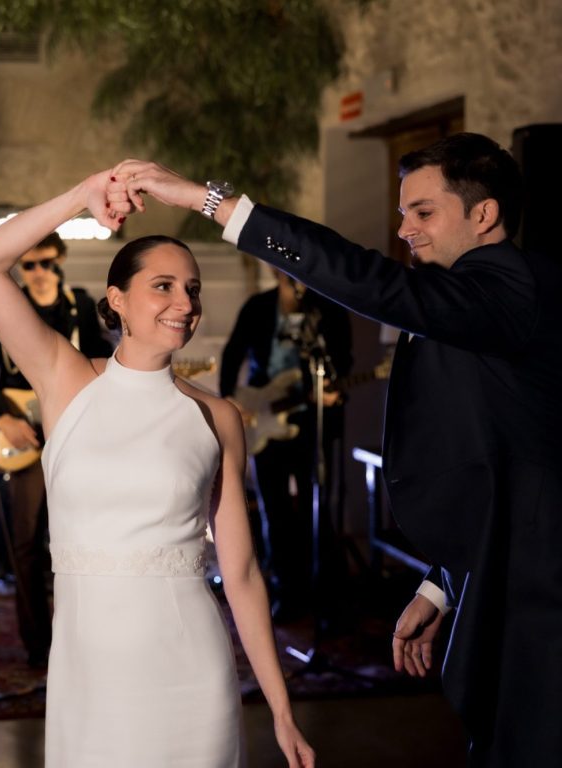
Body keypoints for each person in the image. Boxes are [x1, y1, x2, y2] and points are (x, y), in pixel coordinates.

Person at [106, 135, 562, 768]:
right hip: (500, 573)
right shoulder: (475, 299)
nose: (404, 230)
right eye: (403, 213)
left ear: (483, 214)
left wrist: (205, 200)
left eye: (423, 212)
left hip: (540, 596)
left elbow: (366, 278)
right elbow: (508, 463)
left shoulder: (512, 287)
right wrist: (444, 584)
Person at [0, 171, 314, 767]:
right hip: (88, 677)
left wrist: (281, 710)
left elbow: (242, 575)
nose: (186, 304)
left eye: (193, 290)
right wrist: (81, 196)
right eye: (163, 286)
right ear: (117, 299)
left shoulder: (218, 418)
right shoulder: (64, 378)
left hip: (193, 670)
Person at [0, 231, 112, 668]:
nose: (38, 272)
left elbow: (104, 362)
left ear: (60, 261)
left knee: (82, 538)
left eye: (47, 263)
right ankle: (38, 647)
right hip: (25, 439)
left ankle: (85, 638)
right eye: (28, 265)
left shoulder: (80, 306)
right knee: (27, 543)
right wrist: (3, 418)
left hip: (75, 435)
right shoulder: (4, 306)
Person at [220, 266, 352, 623]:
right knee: (274, 509)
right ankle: (284, 592)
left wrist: (335, 389)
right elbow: (233, 353)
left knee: (317, 508)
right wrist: (230, 399)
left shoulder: (328, 310)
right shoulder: (258, 307)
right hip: (265, 416)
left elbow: (344, 362)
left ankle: (325, 597)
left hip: (312, 422)